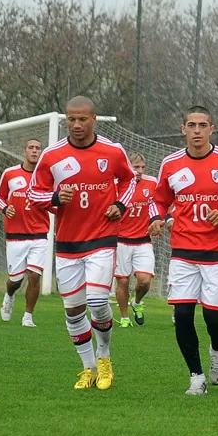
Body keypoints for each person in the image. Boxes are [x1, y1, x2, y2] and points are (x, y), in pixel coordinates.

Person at [27, 96, 136, 390]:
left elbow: (129, 181)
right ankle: (87, 368)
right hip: (67, 244)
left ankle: (104, 357)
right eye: (71, 119)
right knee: (73, 311)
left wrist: (120, 206)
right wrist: (53, 198)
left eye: (82, 119)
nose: (76, 125)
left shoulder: (112, 152)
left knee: (98, 303)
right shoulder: (52, 155)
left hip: (101, 238)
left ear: (94, 119)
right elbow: (33, 194)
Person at [149, 105, 218, 396]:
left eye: (202, 125)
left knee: (213, 318)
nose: (197, 131)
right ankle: (196, 376)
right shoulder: (171, 163)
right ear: (183, 129)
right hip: (183, 251)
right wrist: (156, 218)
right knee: (182, 315)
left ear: (212, 129)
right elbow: (158, 199)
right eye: (191, 125)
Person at [0, 139, 48, 327]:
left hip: (40, 234)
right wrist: (5, 208)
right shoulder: (10, 174)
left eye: (38, 148)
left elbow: (52, 201)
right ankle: (9, 295)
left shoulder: (46, 177)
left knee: (34, 275)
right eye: (31, 148)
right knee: (16, 281)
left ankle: (28, 316)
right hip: (16, 235)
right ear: (24, 151)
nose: (34, 151)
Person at [114, 152, 157, 327]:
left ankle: (137, 302)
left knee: (144, 280)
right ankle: (124, 318)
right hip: (120, 240)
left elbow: (156, 204)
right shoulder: (117, 185)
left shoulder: (152, 183)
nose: (139, 171)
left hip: (143, 240)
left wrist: (157, 220)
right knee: (122, 281)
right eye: (135, 167)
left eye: (142, 167)